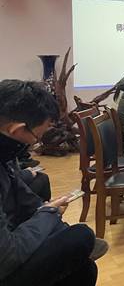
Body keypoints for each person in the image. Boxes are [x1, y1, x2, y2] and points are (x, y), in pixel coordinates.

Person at [0, 80, 104, 286]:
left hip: (9, 236)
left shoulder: (5, 151)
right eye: (36, 137)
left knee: (85, 268)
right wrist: (47, 214)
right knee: (82, 237)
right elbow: (6, 257)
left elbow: (17, 188)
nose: (35, 144)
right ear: (16, 130)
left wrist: (45, 209)